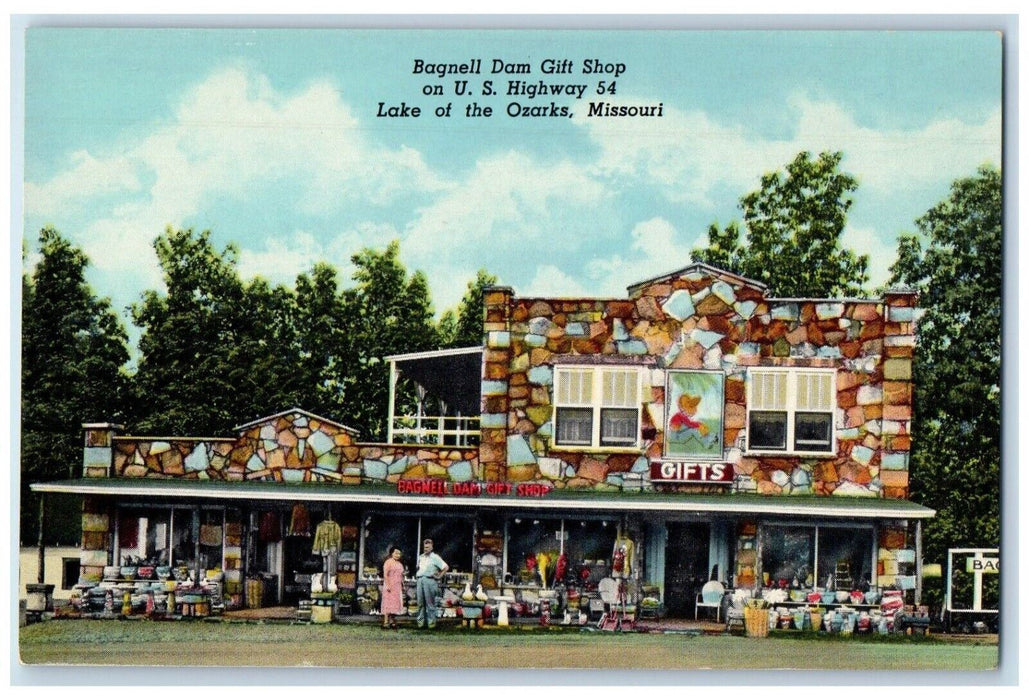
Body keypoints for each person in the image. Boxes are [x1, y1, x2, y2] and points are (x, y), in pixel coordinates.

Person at [415, 538, 448, 629]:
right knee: (420, 603)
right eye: (425, 547)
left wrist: (439, 576)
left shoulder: (435, 557)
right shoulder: (421, 557)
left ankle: (431, 623)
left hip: (429, 580)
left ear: (432, 547)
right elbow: (419, 568)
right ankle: (420, 623)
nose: (426, 549)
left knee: (430, 603)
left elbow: (445, 567)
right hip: (420, 579)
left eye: (428, 547)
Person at [381, 546, 404, 629]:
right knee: (388, 603)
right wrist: (388, 585)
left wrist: (402, 585)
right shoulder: (388, 562)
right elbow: (385, 575)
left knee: (395, 604)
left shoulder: (400, 564)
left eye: (399, 554)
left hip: (397, 586)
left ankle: (392, 621)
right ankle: (386, 622)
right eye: (396, 553)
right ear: (392, 553)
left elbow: (401, 576)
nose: (398, 555)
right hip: (389, 585)